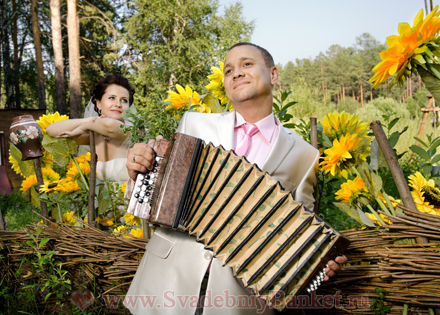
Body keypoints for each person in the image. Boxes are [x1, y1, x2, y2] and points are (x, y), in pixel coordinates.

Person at [124, 43, 348, 315]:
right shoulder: (194, 124)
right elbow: (158, 196)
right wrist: (140, 169)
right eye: (228, 70)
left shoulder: (305, 154)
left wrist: (319, 264)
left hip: (239, 300)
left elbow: (303, 235)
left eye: (247, 64)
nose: (236, 73)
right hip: (166, 283)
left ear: (273, 74)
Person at [46, 74, 135, 185]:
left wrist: (86, 126)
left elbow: (109, 125)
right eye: (112, 98)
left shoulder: (132, 131)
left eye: (124, 100)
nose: (118, 104)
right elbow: (51, 130)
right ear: (98, 104)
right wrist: (90, 120)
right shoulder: (94, 135)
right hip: (104, 201)